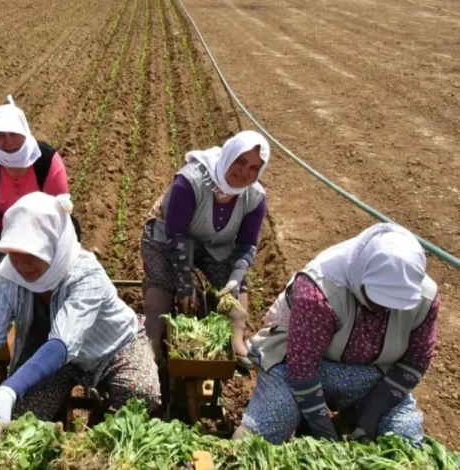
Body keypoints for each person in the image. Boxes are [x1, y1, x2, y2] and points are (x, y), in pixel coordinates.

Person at [0, 192, 161, 425]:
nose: (22, 264)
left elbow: (62, 343)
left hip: (114, 349)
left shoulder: (86, 275)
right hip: (48, 358)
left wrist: (8, 390)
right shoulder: (10, 276)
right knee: (18, 420)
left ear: (55, 246)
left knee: (141, 393)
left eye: (32, 254)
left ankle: (102, 433)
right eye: (14, 254)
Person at [240, 223, 439, 444]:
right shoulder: (320, 289)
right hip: (293, 369)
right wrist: (324, 433)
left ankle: (351, 418)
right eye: (376, 299)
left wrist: (371, 417)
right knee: (268, 424)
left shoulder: (424, 298)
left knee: (404, 435)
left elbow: (416, 359)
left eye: (395, 304)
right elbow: (302, 366)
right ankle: (297, 419)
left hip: (369, 379)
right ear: (360, 275)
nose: (383, 310)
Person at [141, 130, 270, 365]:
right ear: (228, 156)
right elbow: (175, 233)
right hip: (167, 239)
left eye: (254, 168)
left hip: (215, 245)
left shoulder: (255, 198)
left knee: (235, 289)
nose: (244, 172)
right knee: (162, 286)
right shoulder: (190, 182)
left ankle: (237, 341)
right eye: (240, 161)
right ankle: (152, 344)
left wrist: (235, 277)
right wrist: (184, 281)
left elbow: (246, 244)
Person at [0, 96, 70, 310]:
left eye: (14, 134)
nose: (8, 142)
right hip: (0, 234)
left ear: (25, 132)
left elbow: (58, 212)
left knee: (53, 277)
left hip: (43, 230)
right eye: (0, 136)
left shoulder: (47, 161)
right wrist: (5, 262)